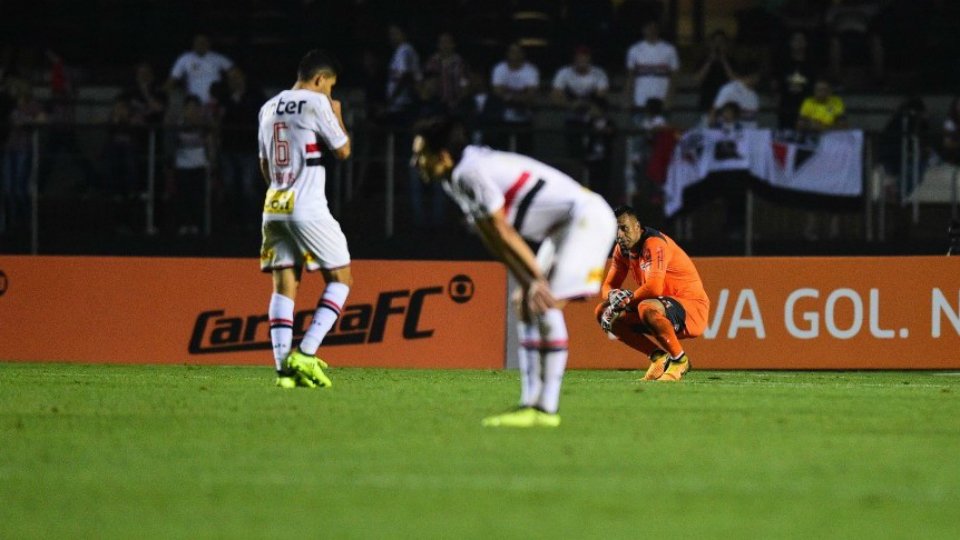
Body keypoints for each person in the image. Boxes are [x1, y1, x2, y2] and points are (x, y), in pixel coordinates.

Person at [412, 116, 617, 428]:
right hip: (562, 228)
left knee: (542, 302)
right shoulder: (454, 177)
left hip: (586, 219)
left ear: (442, 156)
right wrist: (528, 280)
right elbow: (492, 237)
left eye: (420, 154)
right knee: (523, 302)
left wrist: (536, 279)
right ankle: (529, 404)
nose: (415, 162)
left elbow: (503, 230)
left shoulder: (469, 172)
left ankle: (545, 410)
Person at [257, 49, 353, 389]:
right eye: (330, 87)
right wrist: (337, 113)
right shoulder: (316, 102)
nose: (330, 94)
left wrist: (282, 190)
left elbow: (265, 165)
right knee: (341, 279)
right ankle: (306, 352)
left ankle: (284, 370)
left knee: (285, 284)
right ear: (319, 79)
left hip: (274, 204)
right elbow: (342, 150)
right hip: (308, 205)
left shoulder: (267, 107)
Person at [595, 205, 709, 382]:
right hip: (659, 309)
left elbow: (654, 288)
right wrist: (612, 297)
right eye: (616, 230)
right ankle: (658, 358)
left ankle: (679, 360)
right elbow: (608, 285)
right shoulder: (622, 250)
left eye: (624, 228)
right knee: (603, 312)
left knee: (645, 306)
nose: (619, 235)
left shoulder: (654, 244)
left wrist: (624, 301)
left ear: (637, 227)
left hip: (691, 307)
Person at [167, 34, 233, 104]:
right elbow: (172, 80)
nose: (201, 44)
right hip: (194, 105)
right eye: (198, 42)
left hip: (215, 103)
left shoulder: (218, 58)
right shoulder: (184, 58)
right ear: (193, 44)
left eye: (204, 42)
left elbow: (235, 75)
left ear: (209, 44)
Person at [693, 30, 736, 116]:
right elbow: (697, 80)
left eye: (721, 42)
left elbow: (734, 81)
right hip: (707, 102)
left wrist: (724, 61)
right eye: (715, 42)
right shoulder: (703, 60)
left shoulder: (732, 61)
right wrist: (710, 61)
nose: (718, 45)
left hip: (726, 104)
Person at [710, 63, 761, 128]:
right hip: (731, 133)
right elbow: (714, 111)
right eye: (757, 76)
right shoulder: (730, 88)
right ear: (752, 76)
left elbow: (754, 118)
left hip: (750, 133)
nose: (758, 79)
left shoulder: (754, 95)